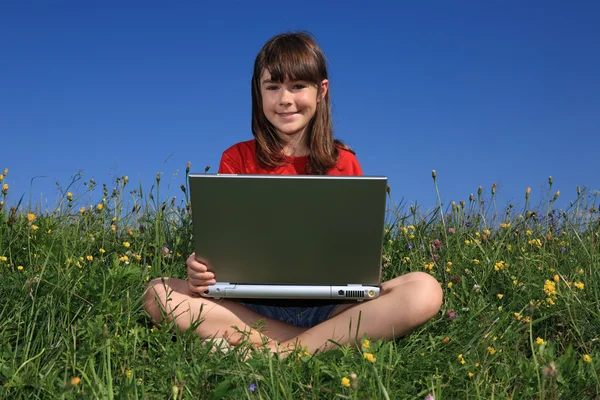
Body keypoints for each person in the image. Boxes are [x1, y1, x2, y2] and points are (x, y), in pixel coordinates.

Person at [143, 31, 443, 355]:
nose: (284, 99)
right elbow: (226, 244)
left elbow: (356, 255)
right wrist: (201, 270)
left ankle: (272, 348)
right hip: (251, 306)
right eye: (272, 87)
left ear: (321, 91)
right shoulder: (237, 158)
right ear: (258, 94)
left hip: (331, 307)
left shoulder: (344, 162)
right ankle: (308, 344)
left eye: (298, 86)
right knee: (156, 294)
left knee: (425, 290)